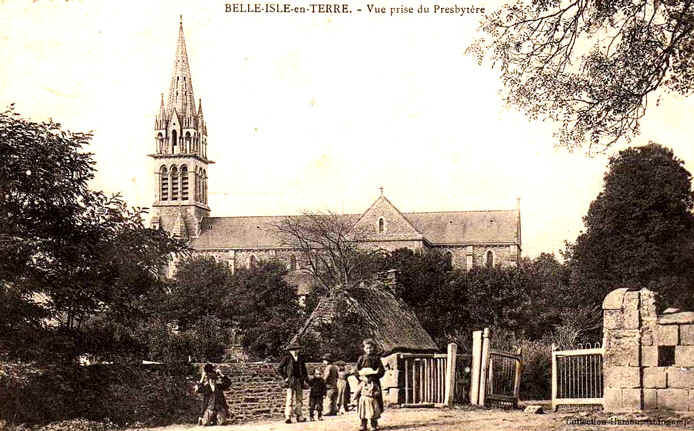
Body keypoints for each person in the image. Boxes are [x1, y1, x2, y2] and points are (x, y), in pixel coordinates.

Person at [356, 338, 385, 430]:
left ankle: (374, 423)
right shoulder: (361, 358)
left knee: (374, 404)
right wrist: (361, 378)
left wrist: (373, 378)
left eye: (371, 348)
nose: (369, 350)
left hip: (374, 382)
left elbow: (381, 371)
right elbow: (356, 370)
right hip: (363, 383)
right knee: (362, 404)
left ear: (373, 348)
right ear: (364, 348)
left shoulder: (377, 358)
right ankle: (363, 424)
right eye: (367, 348)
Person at [276, 342, 309, 424]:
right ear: (290, 351)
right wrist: (285, 377)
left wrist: (304, 379)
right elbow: (279, 368)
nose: (295, 351)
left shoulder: (301, 358)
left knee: (299, 399)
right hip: (291, 380)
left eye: (296, 349)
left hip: (299, 380)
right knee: (290, 398)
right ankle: (288, 416)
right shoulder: (286, 358)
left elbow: (304, 370)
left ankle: (299, 416)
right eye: (293, 350)